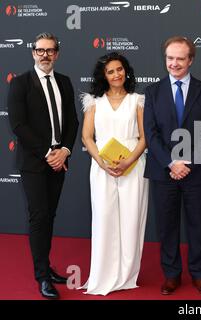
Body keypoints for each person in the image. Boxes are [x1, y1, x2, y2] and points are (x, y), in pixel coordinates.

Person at [7, 32, 79, 299]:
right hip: (35, 162)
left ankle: (46, 267)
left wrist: (66, 151)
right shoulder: (20, 83)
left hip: (60, 162)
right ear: (33, 53)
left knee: (49, 216)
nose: (45, 55)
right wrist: (49, 152)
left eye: (50, 50)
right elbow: (18, 125)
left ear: (57, 53)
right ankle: (42, 277)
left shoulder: (65, 82)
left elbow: (73, 121)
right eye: (40, 50)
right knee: (39, 217)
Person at [143, 36, 201, 295]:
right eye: (170, 58)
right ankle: (171, 274)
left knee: (198, 225)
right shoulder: (152, 92)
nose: (174, 63)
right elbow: (151, 134)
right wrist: (172, 163)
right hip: (164, 171)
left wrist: (187, 162)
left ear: (191, 60)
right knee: (167, 226)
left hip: (196, 172)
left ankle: (199, 274)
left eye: (180, 58)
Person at [80, 52, 148, 295]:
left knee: (131, 219)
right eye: (110, 71)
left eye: (119, 69)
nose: (116, 74)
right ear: (104, 76)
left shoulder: (137, 100)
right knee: (104, 219)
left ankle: (128, 274)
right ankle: (104, 272)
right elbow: (87, 137)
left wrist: (129, 161)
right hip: (102, 168)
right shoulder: (94, 102)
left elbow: (144, 136)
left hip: (133, 166)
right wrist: (101, 162)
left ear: (126, 71)